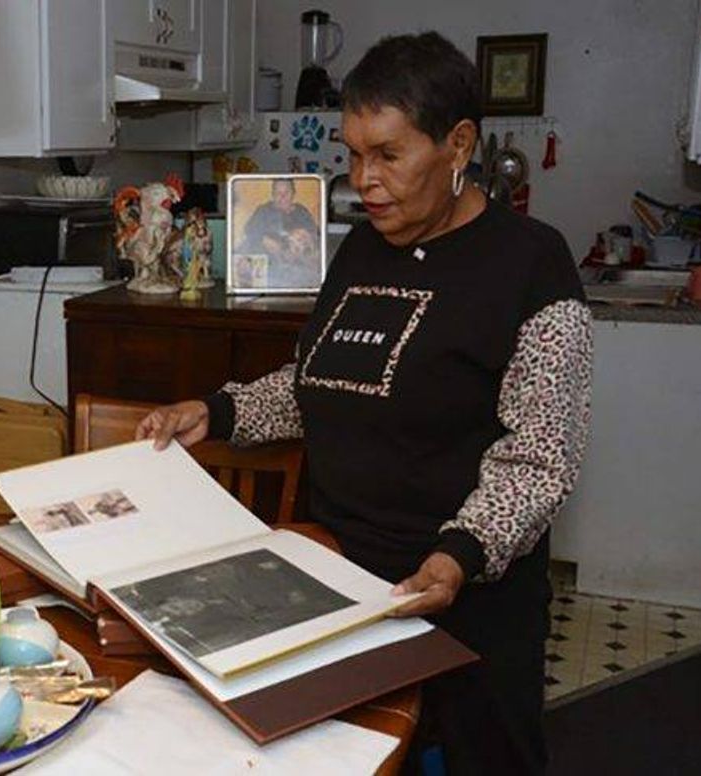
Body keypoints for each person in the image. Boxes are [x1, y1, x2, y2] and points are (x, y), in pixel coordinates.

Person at [137, 31, 592, 776]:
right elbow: (318, 382)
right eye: (352, 155)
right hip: (336, 574)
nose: (362, 180)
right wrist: (216, 413)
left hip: (462, 590)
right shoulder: (361, 247)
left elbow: (541, 456)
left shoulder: (532, 265)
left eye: (387, 154)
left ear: (458, 144)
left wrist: (459, 554)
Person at [236, 178, 321, 288]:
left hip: (297, 263)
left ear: (293, 194)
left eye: (286, 193)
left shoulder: (301, 211)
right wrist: (264, 240)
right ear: (273, 195)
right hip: (269, 263)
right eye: (278, 193)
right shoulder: (263, 210)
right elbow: (250, 230)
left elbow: (315, 234)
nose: (282, 197)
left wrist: (305, 239)